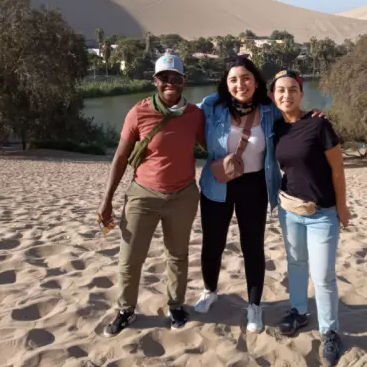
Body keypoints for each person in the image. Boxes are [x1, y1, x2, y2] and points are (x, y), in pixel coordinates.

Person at [98, 52, 206, 337]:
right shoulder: (138, 112)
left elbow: (213, 147)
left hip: (183, 196)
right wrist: (107, 198)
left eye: (177, 79)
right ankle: (126, 310)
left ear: (184, 82)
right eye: (165, 78)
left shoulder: (194, 114)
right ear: (155, 81)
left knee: (177, 254)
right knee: (130, 258)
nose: (171, 83)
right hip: (142, 196)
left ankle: (175, 305)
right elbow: (120, 158)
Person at [193, 56, 281, 333]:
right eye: (233, 79)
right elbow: (182, 118)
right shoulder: (211, 106)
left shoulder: (270, 111)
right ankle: (210, 291)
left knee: (253, 247)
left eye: (245, 78)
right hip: (216, 183)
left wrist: (315, 115)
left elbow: (295, 118)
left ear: (255, 81)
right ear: (226, 83)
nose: (240, 84)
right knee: (213, 243)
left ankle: (254, 306)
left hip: (255, 186)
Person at [270, 70, 350, 366]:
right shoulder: (276, 127)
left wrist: (342, 206)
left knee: (324, 276)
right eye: (280, 90)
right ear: (272, 96)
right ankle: (299, 312)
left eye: (292, 90)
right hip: (289, 209)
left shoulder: (320, 124)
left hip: (322, 213)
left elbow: (337, 171)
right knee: (296, 264)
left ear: (302, 94)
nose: (286, 95)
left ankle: (329, 331)